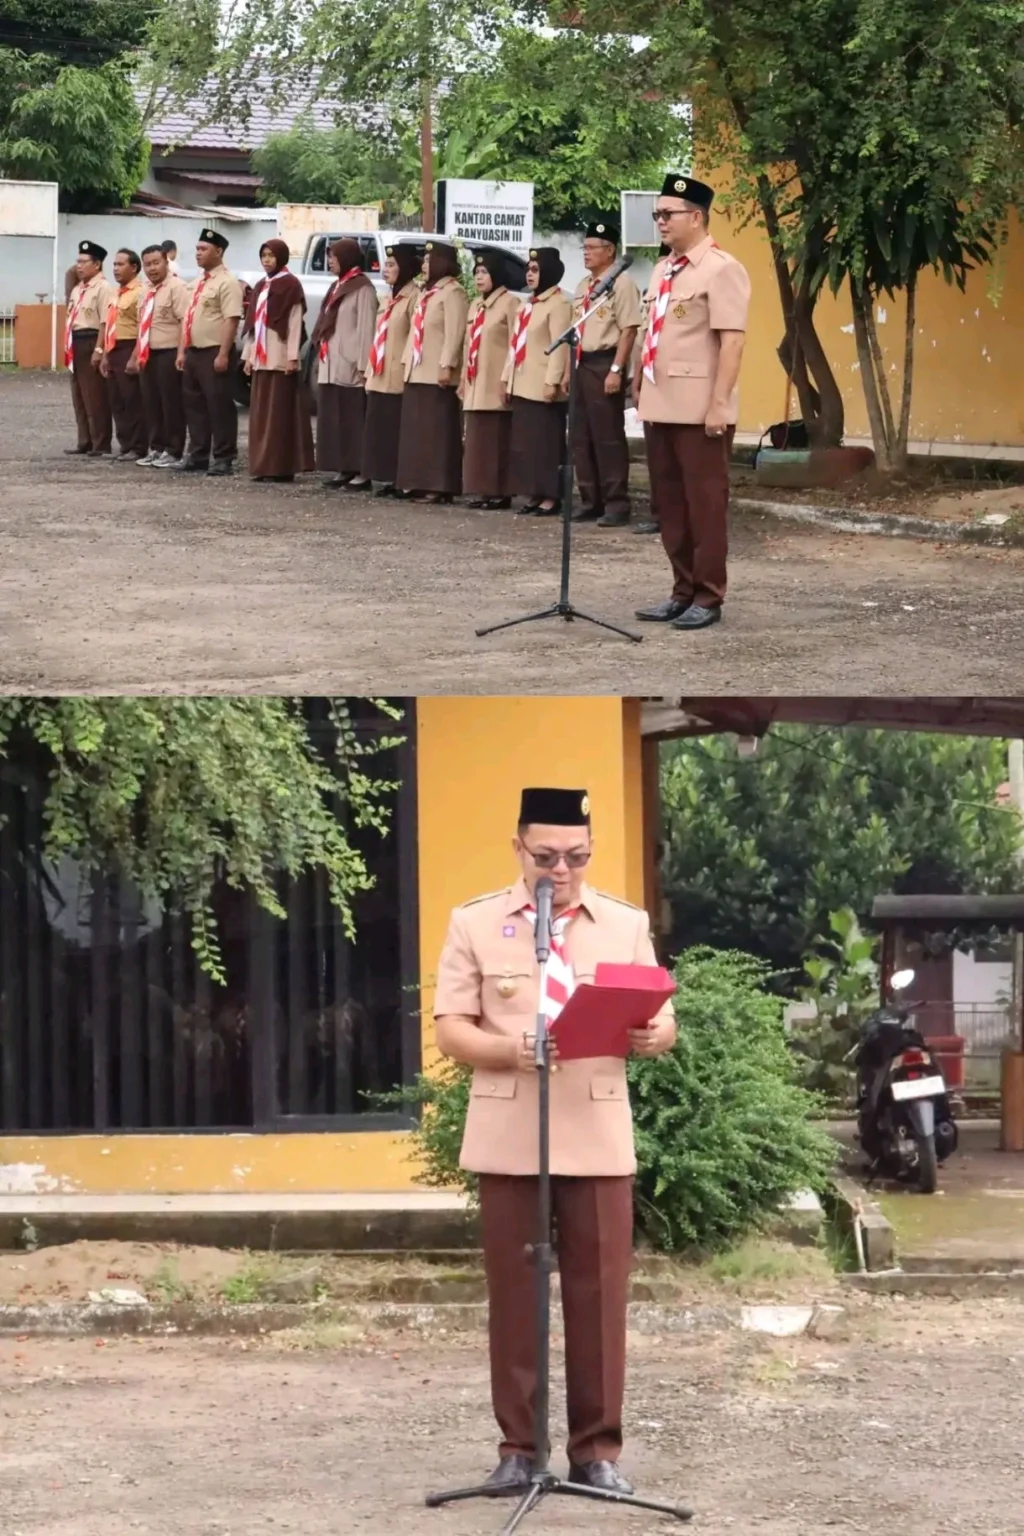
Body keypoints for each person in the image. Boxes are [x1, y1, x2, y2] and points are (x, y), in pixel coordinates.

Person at [433, 786, 677, 1497]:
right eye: (545, 856)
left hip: (596, 1133)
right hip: (512, 1131)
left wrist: (654, 1034)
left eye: (574, 856)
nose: (560, 870)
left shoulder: (623, 925)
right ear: (519, 849)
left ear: (590, 852)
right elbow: (452, 1026)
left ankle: (596, 1452)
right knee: (515, 1295)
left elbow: (661, 1022)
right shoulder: (476, 922)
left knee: (600, 1298)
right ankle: (519, 1448)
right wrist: (510, 1048)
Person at [634, 174, 751, 631]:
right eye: (657, 215)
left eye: (668, 214)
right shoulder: (664, 269)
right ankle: (681, 591)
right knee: (669, 504)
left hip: (700, 409)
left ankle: (708, 595)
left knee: (704, 505)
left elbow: (733, 343)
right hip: (659, 404)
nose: (660, 221)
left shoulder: (722, 268)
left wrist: (720, 404)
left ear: (696, 216)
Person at [570, 220, 641, 528]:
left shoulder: (622, 284)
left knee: (607, 437)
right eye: (584, 248)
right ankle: (590, 499)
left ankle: (616, 503)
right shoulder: (584, 286)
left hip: (605, 362)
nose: (586, 253)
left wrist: (616, 369)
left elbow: (628, 329)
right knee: (581, 436)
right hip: (581, 362)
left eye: (592, 248)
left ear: (610, 251)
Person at [502, 247, 573, 516]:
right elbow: (514, 345)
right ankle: (532, 492)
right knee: (526, 444)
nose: (529, 275)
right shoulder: (526, 305)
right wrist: (505, 379)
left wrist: (552, 382)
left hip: (542, 384)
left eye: (535, 270)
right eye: (528, 270)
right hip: (522, 382)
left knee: (546, 444)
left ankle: (550, 496)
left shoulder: (559, 304)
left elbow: (561, 347)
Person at [396, 240, 468, 504]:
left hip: (437, 372)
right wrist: (406, 361)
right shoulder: (428, 293)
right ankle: (416, 481)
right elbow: (415, 331)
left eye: (428, 260)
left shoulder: (454, 293)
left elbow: (455, 333)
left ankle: (438, 485)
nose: (424, 266)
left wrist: (447, 365)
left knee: (437, 432)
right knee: (418, 431)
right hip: (417, 370)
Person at [240, 238, 315, 483]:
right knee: (261, 416)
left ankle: (280, 466)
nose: (267, 260)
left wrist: (292, 356)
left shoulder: (290, 285)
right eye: (263, 255)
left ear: (281, 257)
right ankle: (262, 465)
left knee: (279, 415)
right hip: (261, 359)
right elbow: (253, 325)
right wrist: (248, 356)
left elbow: (294, 323)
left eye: (271, 255)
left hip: (280, 358)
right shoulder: (262, 285)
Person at [175, 227, 244, 477]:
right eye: (197, 249)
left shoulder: (227, 282)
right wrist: (182, 351)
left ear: (219, 251)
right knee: (194, 406)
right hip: (194, 352)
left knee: (219, 405)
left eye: (203, 249)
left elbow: (231, 319)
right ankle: (198, 454)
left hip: (214, 350)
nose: (198, 253)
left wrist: (224, 353)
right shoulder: (197, 283)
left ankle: (224, 456)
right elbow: (187, 319)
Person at [310, 238, 378, 491]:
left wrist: (363, 365)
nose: (330, 262)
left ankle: (360, 471)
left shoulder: (362, 288)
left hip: (351, 365)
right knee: (335, 418)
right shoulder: (337, 286)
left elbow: (366, 329)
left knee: (353, 418)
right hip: (332, 363)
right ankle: (343, 467)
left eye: (334, 258)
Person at [460, 247, 520, 510]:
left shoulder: (509, 303)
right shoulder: (476, 304)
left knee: (496, 439)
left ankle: (499, 491)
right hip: (476, 381)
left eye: (484, 272)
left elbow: (515, 345)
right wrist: (463, 377)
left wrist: (507, 379)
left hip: (495, 381)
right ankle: (482, 489)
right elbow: (467, 344)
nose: (479, 277)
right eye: (476, 272)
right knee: (477, 440)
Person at [360, 242, 421, 497]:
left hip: (397, 373)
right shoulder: (389, 297)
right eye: (386, 264)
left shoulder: (414, 297)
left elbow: (414, 338)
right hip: (379, 372)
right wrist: (368, 369)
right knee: (379, 428)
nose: (386, 269)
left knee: (397, 428)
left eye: (392, 265)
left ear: (405, 268)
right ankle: (385, 477)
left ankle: (400, 479)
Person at [133, 244, 190, 468]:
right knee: (151, 403)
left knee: (171, 404)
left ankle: (174, 450)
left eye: (156, 263)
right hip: (149, 353)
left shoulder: (177, 287)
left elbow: (184, 322)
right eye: (147, 264)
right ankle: (156, 448)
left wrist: (181, 353)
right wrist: (138, 353)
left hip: (168, 353)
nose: (152, 268)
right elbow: (142, 324)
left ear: (166, 261)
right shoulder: (145, 290)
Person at [63, 240, 113, 456]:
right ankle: (84, 440)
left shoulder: (103, 288)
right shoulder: (78, 289)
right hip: (76, 341)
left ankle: (100, 443)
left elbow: (105, 322)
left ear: (97, 265)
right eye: (78, 262)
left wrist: (99, 349)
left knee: (95, 396)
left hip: (91, 340)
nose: (79, 266)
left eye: (84, 262)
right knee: (79, 396)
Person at [98, 248, 148, 464]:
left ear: (134, 267)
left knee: (133, 400)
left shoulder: (140, 292)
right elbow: (109, 324)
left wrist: (135, 355)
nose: (116, 269)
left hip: (130, 347)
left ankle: (139, 446)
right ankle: (125, 444)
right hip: (114, 348)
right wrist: (104, 354)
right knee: (117, 400)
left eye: (121, 265)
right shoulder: (116, 293)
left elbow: (142, 326)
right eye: (115, 265)